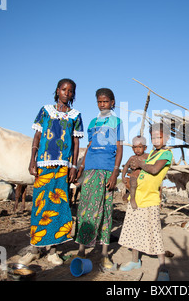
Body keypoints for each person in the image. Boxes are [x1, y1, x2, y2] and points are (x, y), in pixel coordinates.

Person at [19, 78, 84, 266]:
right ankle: (34, 249)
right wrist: (32, 159)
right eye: (64, 89)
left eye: (71, 91)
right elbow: (37, 136)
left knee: (58, 207)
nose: (67, 93)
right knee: (39, 206)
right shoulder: (45, 110)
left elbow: (76, 142)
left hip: (63, 167)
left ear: (73, 94)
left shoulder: (76, 115)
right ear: (57, 91)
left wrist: (73, 166)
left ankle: (53, 251)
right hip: (43, 164)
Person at [75, 88, 124, 270]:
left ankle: (104, 254)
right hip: (90, 170)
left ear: (112, 102)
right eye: (99, 102)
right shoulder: (93, 122)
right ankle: (81, 251)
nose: (102, 104)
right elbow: (89, 146)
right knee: (85, 210)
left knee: (105, 212)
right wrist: (81, 167)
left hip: (107, 170)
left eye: (105, 101)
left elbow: (119, 149)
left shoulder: (117, 122)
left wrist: (115, 173)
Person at [118, 123, 173, 281]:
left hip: (150, 198)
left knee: (154, 232)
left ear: (167, 138)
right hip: (136, 198)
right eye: (154, 137)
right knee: (134, 230)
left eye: (160, 137)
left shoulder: (166, 154)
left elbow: (155, 170)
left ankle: (163, 268)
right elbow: (135, 168)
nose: (156, 140)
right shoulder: (150, 155)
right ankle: (135, 261)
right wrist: (129, 178)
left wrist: (140, 164)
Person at [121, 135, 148, 209]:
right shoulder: (132, 158)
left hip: (145, 177)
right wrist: (123, 176)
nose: (137, 149)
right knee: (132, 184)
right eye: (135, 147)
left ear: (145, 148)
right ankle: (132, 198)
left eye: (140, 147)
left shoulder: (147, 156)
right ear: (132, 149)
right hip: (134, 176)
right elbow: (126, 166)